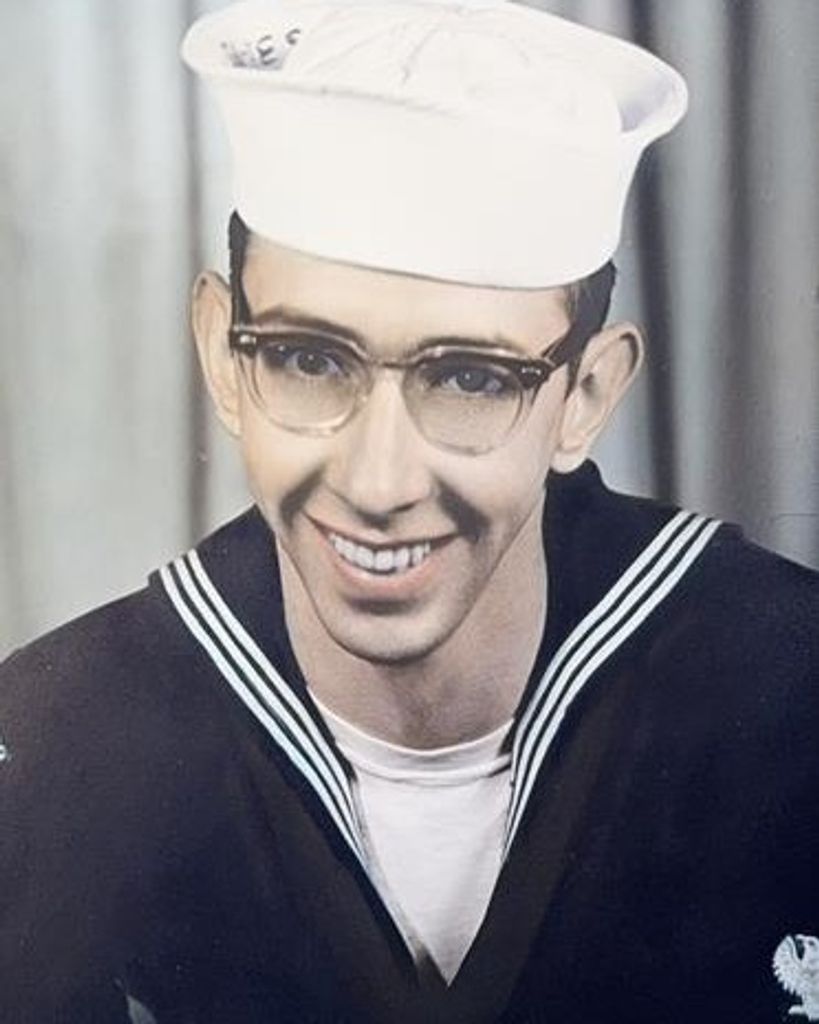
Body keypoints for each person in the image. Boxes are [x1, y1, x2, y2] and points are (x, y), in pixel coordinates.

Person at [1, 1, 818, 1021]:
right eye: (307, 359)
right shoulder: (47, 751)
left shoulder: (790, 696)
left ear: (587, 396)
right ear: (221, 350)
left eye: (470, 378)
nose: (378, 482)